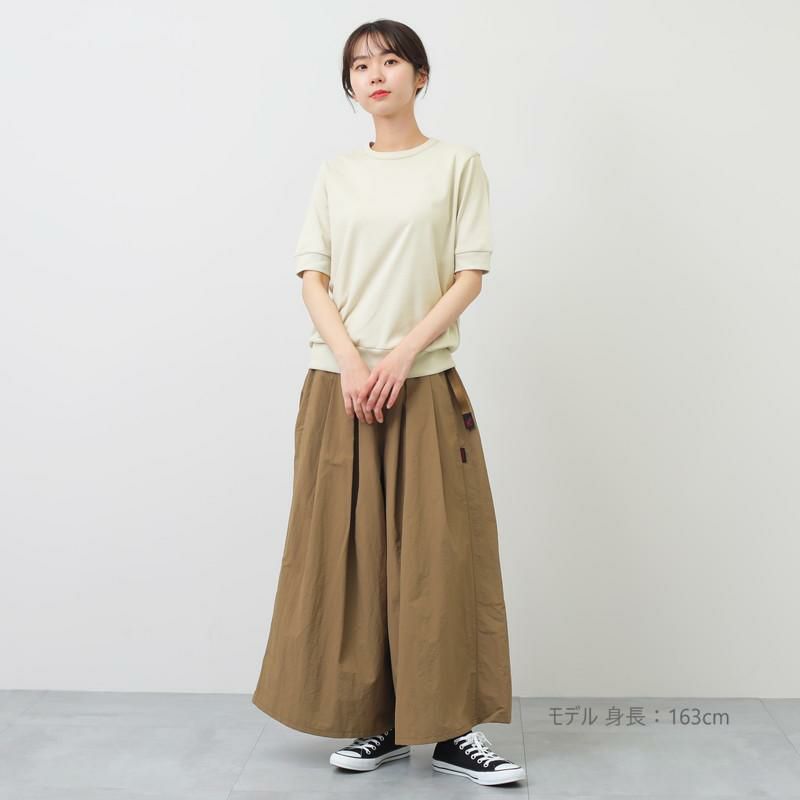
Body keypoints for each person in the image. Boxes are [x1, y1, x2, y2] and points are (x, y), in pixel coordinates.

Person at [251, 18, 526, 788]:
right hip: (339, 387)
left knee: (437, 558)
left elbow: (468, 275)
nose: (375, 75)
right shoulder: (336, 174)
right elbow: (313, 277)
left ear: (420, 76)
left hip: (423, 381)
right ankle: (374, 722)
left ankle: (452, 730)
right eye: (360, 67)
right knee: (348, 556)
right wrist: (351, 362)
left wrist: (400, 357)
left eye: (391, 61)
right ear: (351, 87)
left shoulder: (457, 166)